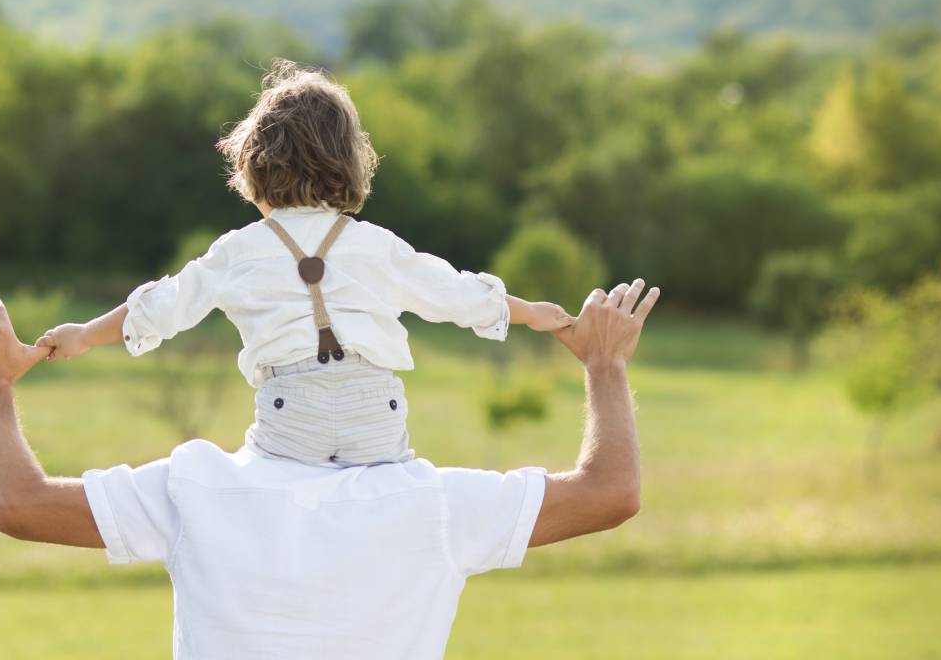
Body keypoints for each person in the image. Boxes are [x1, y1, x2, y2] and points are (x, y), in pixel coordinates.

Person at [0, 278, 659, 660]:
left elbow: (20, 505)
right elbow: (611, 492)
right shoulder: (433, 506)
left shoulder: (197, 488)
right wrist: (603, 364)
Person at [35, 59, 571, 468]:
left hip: (290, 411)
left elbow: (160, 307)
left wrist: (84, 332)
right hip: (375, 412)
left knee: (267, 507)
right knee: (387, 510)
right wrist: (536, 313)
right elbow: (456, 295)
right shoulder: (376, 244)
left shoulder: (238, 250)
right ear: (351, 163)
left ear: (252, 165)